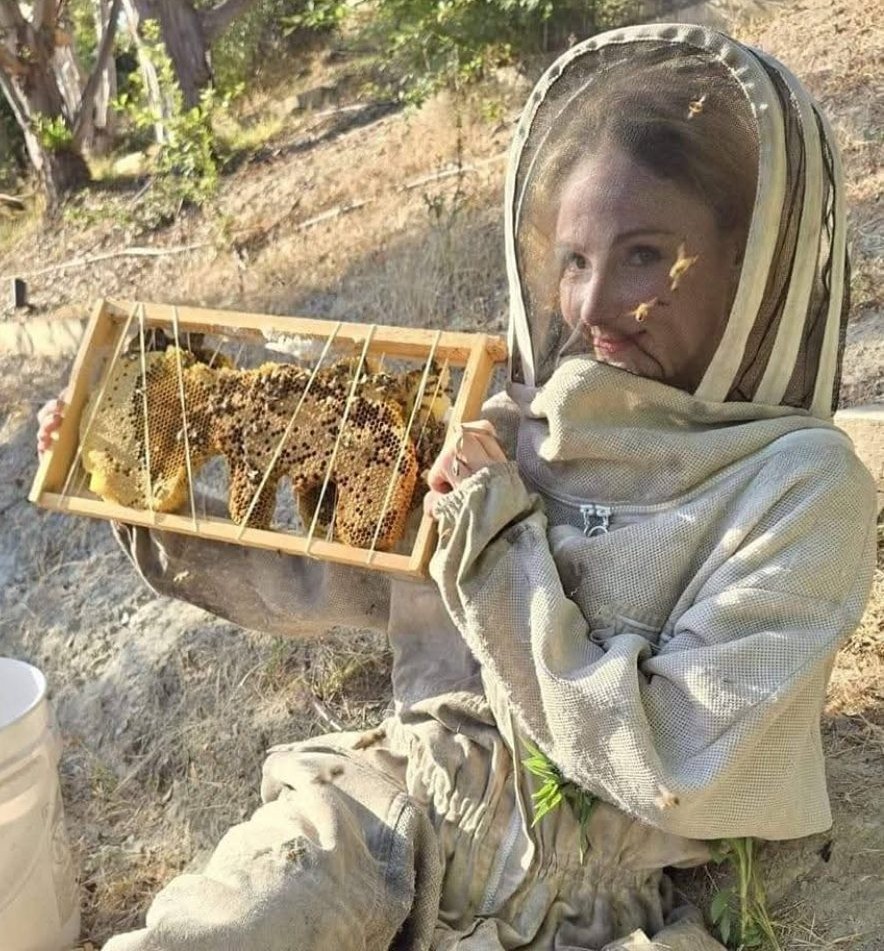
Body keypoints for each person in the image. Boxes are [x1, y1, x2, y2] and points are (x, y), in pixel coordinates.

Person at [37, 23, 877, 951]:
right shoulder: (513, 427)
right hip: (400, 801)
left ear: (744, 255)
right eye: (576, 260)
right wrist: (134, 478)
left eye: (644, 255)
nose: (593, 306)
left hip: (606, 899)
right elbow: (335, 575)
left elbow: (682, 760)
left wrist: (502, 546)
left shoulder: (799, 487)